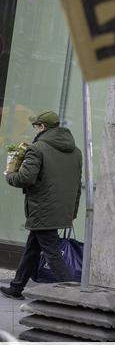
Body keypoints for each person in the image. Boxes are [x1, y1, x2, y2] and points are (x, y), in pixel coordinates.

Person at [1, 110, 82, 299]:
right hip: (60, 209)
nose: (35, 130)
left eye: (36, 126)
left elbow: (25, 178)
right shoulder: (76, 152)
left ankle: (73, 296)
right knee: (33, 248)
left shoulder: (37, 148)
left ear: (42, 127)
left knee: (52, 253)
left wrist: (9, 175)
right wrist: (73, 212)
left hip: (42, 209)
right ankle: (16, 288)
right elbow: (77, 185)